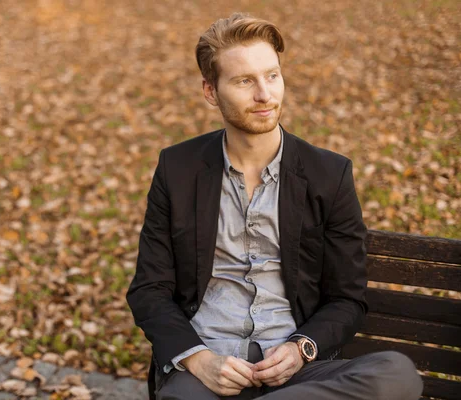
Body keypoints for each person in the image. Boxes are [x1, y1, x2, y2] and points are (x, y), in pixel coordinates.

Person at [126, 12, 423, 400]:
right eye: (245, 81)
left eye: (272, 75)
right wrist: (198, 359)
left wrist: (301, 348)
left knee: (397, 375)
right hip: (206, 373)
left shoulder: (327, 174)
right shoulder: (178, 169)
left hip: (295, 375)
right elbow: (150, 290)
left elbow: (348, 298)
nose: (265, 95)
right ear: (211, 92)